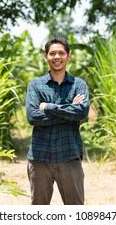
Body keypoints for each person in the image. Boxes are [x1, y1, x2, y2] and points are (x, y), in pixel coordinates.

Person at [25, 37, 90, 205]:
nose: (57, 57)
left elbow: (82, 112)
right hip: (39, 158)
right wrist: (68, 110)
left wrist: (47, 107)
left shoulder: (79, 85)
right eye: (52, 53)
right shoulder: (35, 85)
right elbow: (33, 117)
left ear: (69, 56)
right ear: (46, 56)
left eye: (61, 53)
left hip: (69, 155)